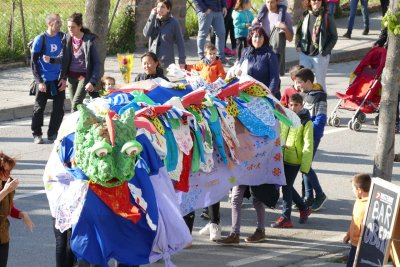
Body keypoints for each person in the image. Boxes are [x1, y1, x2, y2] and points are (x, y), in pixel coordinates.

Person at [271, 93, 313, 228]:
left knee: (286, 186)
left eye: (296, 105)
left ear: (302, 105)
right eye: (291, 105)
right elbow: (279, 134)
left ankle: (286, 217)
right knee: (285, 185)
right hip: (283, 156)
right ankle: (303, 208)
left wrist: (305, 166)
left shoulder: (306, 121)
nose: (293, 108)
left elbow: (308, 144)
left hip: (295, 159)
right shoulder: (286, 116)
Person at [294, 68, 328, 211]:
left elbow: (320, 119)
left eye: (300, 82)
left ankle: (319, 195)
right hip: (301, 135)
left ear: (308, 81)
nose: (298, 85)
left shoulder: (320, 96)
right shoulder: (303, 94)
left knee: (305, 165)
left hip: (312, 136)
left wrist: (308, 131)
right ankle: (308, 197)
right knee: (304, 166)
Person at [31, 13, 66, 144]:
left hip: (58, 79)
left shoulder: (62, 37)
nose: (60, 24)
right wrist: (39, 81)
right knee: (39, 108)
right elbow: (33, 63)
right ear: (49, 23)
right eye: (57, 22)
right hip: (44, 80)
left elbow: (66, 60)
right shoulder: (41, 39)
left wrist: (64, 78)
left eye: (60, 22)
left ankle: (52, 133)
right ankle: (37, 134)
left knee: (59, 108)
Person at [61, 12, 101, 112]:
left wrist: (92, 81)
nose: (70, 29)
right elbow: (63, 58)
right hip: (71, 77)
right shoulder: (67, 38)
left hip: (83, 77)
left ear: (79, 26)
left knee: (75, 105)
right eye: (69, 27)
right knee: (77, 107)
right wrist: (52, 60)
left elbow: (97, 63)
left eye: (73, 27)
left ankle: (73, 126)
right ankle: (83, 123)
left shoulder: (88, 41)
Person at [295, 0, 338, 93]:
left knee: (320, 83)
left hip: (319, 55)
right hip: (305, 54)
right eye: (314, 0)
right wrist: (297, 44)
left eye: (319, 0)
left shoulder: (327, 16)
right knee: (301, 81)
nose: (316, 2)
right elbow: (298, 32)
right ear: (309, 2)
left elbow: (334, 37)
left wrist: (325, 51)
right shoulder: (305, 14)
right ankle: (303, 104)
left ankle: (321, 104)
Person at [0, 152, 34, 267]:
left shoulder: (7, 183)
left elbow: (9, 209)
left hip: (3, 235)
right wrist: (5, 191)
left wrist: (21, 214)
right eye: (6, 170)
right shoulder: (7, 188)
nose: (8, 174)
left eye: (10, 171)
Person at [235, 26, 281, 99]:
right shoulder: (246, 51)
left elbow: (274, 78)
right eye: (255, 37)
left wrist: (270, 95)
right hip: (247, 93)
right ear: (251, 38)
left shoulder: (270, 55)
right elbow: (239, 68)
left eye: (260, 37)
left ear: (264, 39)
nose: (257, 40)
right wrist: (237, 71)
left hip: (264, 94)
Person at [143, 0, 186, 71]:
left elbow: (180, 42)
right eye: (158, 7)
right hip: (152, 61)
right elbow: (146, 33)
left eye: (163, 7)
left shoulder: (174, 23)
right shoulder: (153, 19)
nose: (160, 9)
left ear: (168, 9)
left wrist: (182, 61)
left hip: (166, 63)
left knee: (162, 81)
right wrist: (151, 16)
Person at [255, 0, 294, 76]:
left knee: (275, 81)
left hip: (276, 54)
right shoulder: (262, 15)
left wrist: (284, 28)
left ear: (277, 2)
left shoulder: (284, 15)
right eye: (268, 2)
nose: (269, 4)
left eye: (272, 2)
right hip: (262, 53)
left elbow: (290, 38)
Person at [343, 173, 371, 267]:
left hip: (363, 246)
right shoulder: (358, 201)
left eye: (353, 188)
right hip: (354, 243)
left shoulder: (369, 205)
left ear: (359, 190)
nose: (352, 190)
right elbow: (354, 220)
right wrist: (348, 234)